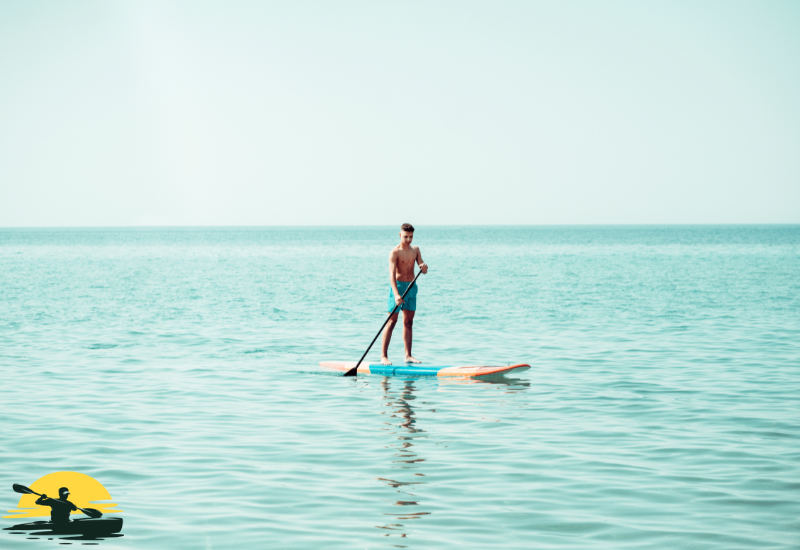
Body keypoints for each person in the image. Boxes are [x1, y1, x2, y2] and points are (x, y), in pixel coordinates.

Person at [380, 223, 428, 365]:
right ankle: (383, 356)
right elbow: (391, 275)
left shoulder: (416, 250)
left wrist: (424, 267)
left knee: (408, 322)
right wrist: (396, 294)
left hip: (411, 287)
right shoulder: (394, 252)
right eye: (406, 237)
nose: (408, 240)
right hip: (398, 287)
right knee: (391, 322)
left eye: (411, 237)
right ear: (400, 235)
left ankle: (408, 355)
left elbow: (422, 269)